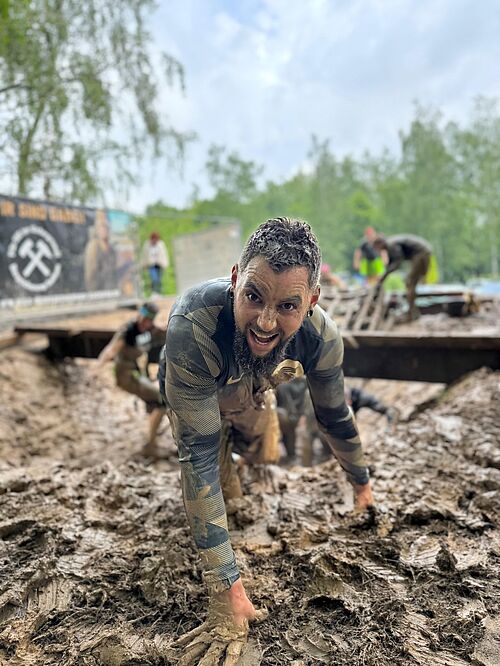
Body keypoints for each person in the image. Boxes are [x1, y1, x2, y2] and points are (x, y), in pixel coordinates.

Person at [158, 217, 374, 662]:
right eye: (253, 297)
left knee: (263, 452)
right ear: (235, 279)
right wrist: (227, 591)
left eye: (288, 306)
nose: (266, 322)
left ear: (312, 301)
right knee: (218, 472)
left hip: (256, 389)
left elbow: (335, 416)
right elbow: (196, 458)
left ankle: (242, 464)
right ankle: (232, 480)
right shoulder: (194, 324)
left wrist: (363, 487)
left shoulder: (321, 338)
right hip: (196, 381)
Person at [94, 302, 167, 458]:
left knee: (156, 401)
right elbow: (111, 349)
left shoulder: (150, 330)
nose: (144, 322)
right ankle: (150, 446)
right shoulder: (128, 330)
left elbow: (166, 331)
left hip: (137, 375)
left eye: (148, 320)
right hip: (127, 377)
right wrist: (97, 369)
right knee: (162, 400)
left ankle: (151, 439)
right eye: (143, 317)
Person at [277, 378, 395, 465]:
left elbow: (384, 409)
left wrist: (390, 425)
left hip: (343, 428)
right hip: (321, 423)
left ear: (349, 400)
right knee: (317, 436)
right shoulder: (319, 398)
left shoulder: (360, 397)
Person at [373, 234, 436, 320]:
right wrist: (384, 275)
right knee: (410, 282)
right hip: (422, 252)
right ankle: (412, 312)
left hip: (421, 253)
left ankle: (412, 313)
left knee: (410, 282)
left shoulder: (391, 245)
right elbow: (392, 263)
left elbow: (397, 261)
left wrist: (384, 275)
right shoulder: (391, 243)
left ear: (379, 244)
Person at [84, 209, 118, 292]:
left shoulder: (112, 249)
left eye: (105, 227)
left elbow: (114, 272)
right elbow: (90, 275)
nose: (104, 230)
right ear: (97, 229)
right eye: (101, 227)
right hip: (98, 291)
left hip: (111, 290)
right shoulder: (93, 246)